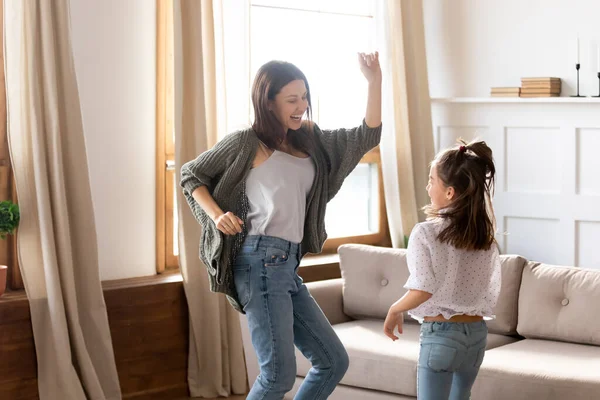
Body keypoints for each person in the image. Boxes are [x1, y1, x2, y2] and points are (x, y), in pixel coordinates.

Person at [180, 52, 382, 399]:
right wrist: (217, 215)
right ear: (268, 101)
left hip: (286, 265)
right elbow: (191, 174)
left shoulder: (310, 139)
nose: (301, 105)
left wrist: (374, 81)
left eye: (304, 97)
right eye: (292, 99)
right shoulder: (245, 142)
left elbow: (367, 136)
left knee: (332, 360)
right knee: (277, 375)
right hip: (258, 260)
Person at [383, 139, 501, 400]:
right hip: (477, 335)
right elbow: (487, 290)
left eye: (431, 181)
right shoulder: (485, 238)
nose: (427, 187)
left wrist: (395, 308)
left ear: (449, 192)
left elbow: (424, 288)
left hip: (442, 338)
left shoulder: (425, 232)